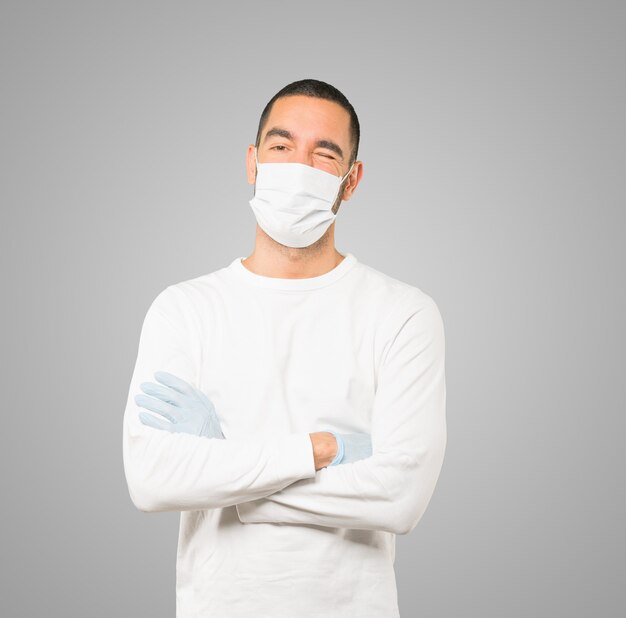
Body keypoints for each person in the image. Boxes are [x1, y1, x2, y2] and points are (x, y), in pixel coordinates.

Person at [122, 78, 447, 617]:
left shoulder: (402, 313)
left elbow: (400, 497)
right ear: (252, 162)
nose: (299, 166)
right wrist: (321, 450)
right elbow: (151, 481)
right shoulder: (184, 309)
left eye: (325, 154)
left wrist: (227, 467)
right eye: (281, 146)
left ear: (352, 179)